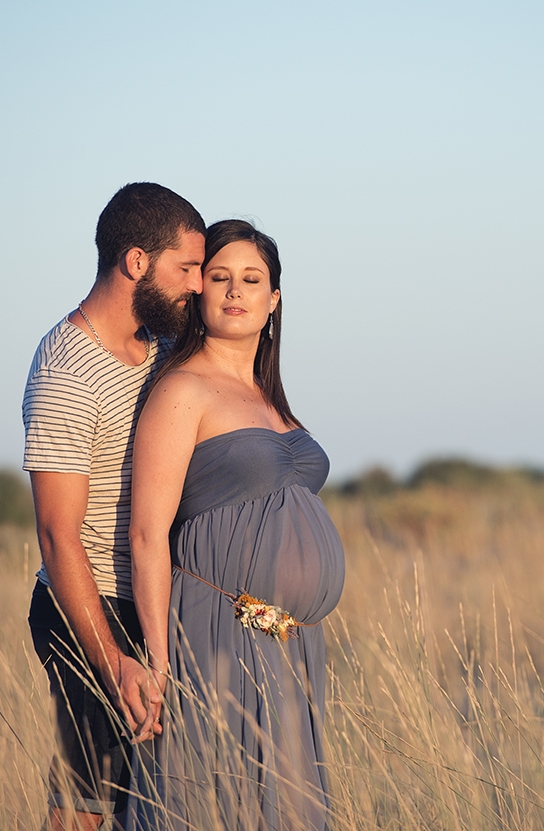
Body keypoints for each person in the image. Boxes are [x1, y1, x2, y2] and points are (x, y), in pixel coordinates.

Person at [127, 220, 345, 830]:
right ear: (197, 291)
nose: (234, 292)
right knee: (211, 797)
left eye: (252, 280)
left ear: (274, 300)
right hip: (215, 624)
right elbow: (148, 535)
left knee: (285, 804)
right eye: (219, 277)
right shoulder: (183, 391)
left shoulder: (267, 395)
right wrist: (158, 658)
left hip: (289, 640)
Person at [23, 182, 205, 831]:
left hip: (151, 605)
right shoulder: (66, 366)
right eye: (186, 268)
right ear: (135, 261)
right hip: (89, 611)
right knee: (82, 811)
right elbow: (55, 535)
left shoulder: (158, 348)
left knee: (148, 809)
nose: (199, 284)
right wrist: (113, 656)